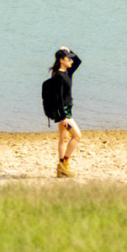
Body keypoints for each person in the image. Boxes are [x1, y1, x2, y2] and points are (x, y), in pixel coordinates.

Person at [46, 47, 81, 177]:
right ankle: (64, 163)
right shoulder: (59, 77)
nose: (71, 60)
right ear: (61, 60)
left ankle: (61, 169)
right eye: (68, 58)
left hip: (65, 110)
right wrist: (63, 117)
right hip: (63, 112)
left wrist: (68, 49)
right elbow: (58, 98)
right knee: (77, 136)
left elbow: (78, 61)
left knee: (63, 138)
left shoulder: (68, 72)